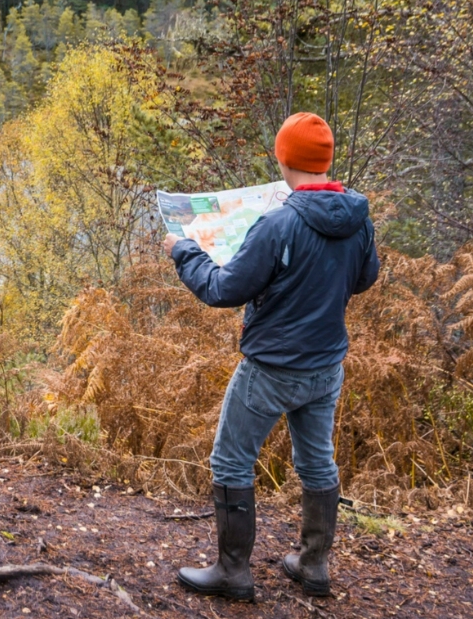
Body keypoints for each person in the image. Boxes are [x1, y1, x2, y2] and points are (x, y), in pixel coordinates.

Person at [161, 112, 380, 602]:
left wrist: (185, 251)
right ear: (325, 162)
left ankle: (233, 573)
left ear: (283, 159)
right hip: (326, 367)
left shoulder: (278, 224)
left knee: (231, 461)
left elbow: (221, 290)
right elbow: (365, 278)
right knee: (317, 463)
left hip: (270, 369)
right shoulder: (358, 218)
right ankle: (313, 565)